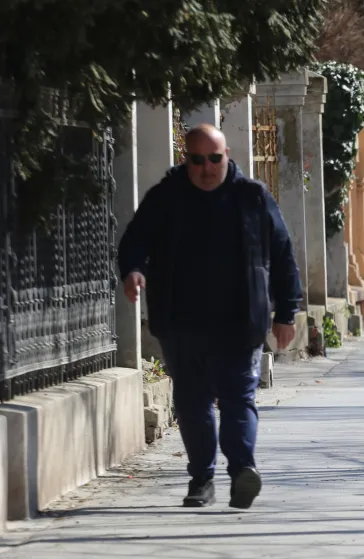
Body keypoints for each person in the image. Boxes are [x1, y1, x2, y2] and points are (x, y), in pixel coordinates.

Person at [117, 124, 302, 508]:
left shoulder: (252, 197)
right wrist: (133, 270)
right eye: (197, 159)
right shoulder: (166, 197)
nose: (206, 167)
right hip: (182, 321)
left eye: (214, 158)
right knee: (191, 401)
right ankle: (202, 478)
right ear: (186, 159)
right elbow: (135, 239)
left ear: (227, 155)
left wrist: (286, 311)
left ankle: (241, 471)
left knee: (238, 398)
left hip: (240, 320)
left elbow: (282, 254)